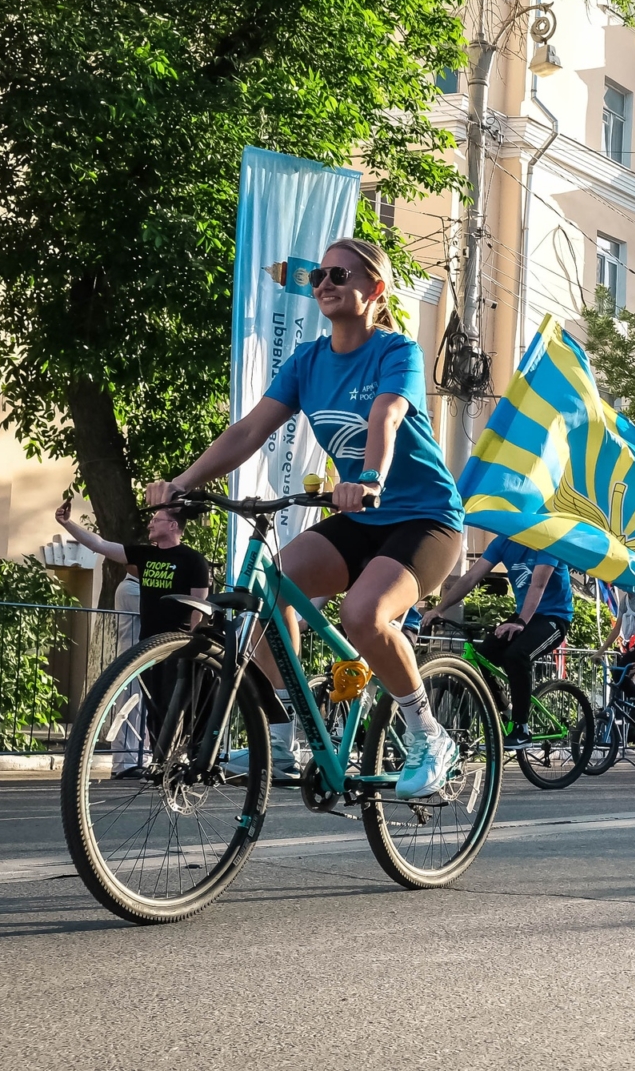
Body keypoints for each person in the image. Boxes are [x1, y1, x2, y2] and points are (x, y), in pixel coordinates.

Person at [147, 237, 465, 799]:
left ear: (375, 290)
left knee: (364, 616)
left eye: (340, 275)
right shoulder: (308, 361)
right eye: (319, 275)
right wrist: (181, 484)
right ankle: (286, 729)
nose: (325, 283)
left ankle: (428, 735)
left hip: (425, 518)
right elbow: (248, 431)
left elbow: (385, 416)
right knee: (270, 590)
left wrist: (369, 479)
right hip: (359, 520)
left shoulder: (396, 352)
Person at [55, 492, 212, 778]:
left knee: (173, 704)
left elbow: (200, 607)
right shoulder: (145, 554)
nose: (151, 524)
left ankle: (177, 760)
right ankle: (160, 762)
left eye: (157, 520)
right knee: (153, 705)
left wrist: (193, 642)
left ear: (174, 526)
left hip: (177, 644)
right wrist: (67, 524)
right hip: (148, 644)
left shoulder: (193, 560)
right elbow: (100, 544)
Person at [438, 536, 575, 743]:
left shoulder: (547, 540)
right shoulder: (502, 543)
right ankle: (506, 709)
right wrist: (439, 609)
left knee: (517, 655)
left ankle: (522, 728)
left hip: (554, 617)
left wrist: (521, 622)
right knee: (481, 659)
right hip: (523, 615)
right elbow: (469, 578)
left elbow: (538, 585)